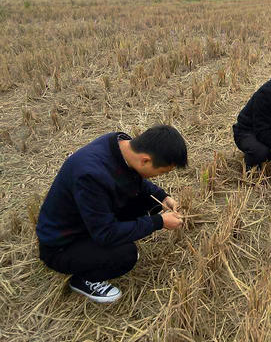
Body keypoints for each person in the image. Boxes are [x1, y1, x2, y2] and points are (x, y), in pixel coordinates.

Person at [36, 125, 187, 303]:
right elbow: (106, 234)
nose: (159, 176)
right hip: (63, 245)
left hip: (88, 220)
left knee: (149, 200)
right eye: (161, 172)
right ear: (145, 160)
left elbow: (136, 180)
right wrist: (158, 222)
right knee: (125, 255)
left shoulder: (121, 145)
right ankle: (84, 280)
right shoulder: (91, 176)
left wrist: (162, 196)